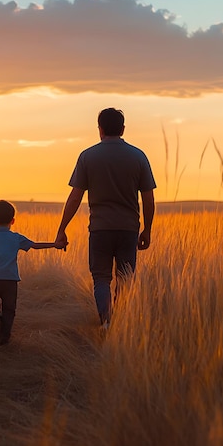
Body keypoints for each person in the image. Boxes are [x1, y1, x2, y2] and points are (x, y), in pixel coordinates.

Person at [55, 108, 156, 329]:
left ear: (100, 129)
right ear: (122, 129)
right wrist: (147, 230)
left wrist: (62, 228)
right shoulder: (138, 156)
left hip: (100, 230)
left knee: (101, 278)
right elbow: (148, 200)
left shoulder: (88, 156)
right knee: (125, 278)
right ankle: (119, 323)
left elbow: (74, 198)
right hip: (129, 229)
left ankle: (106, 320)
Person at [0, 199, 62, 345]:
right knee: (9, 309)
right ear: (13, 220)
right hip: (11, 281)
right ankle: (5, 337)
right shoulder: (16, 238)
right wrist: (55, 244)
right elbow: (35, 245)